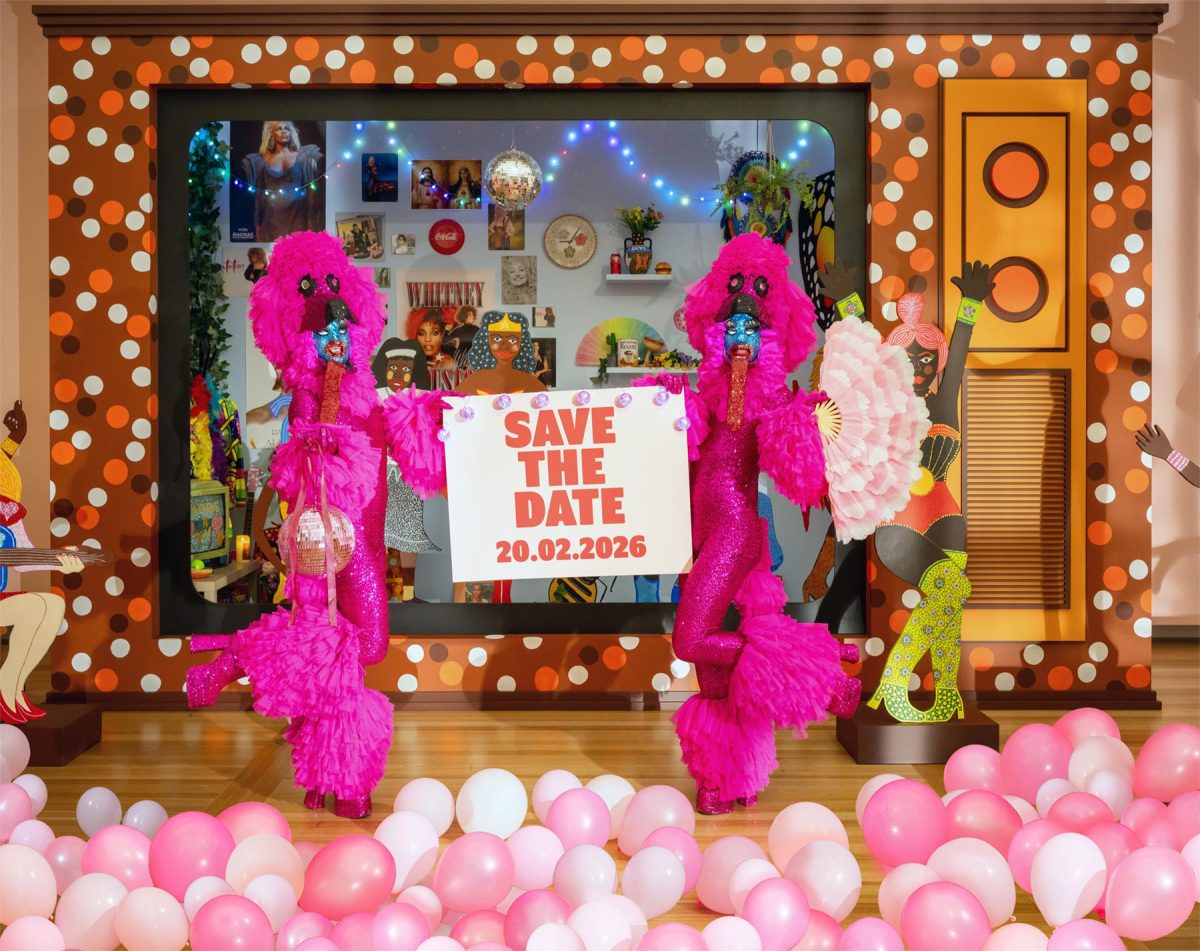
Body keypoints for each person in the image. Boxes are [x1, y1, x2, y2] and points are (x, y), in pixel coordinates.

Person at [866, 261, 995, 723]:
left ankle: (945, 694)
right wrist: (847, 304)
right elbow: (862, 351)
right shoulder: (882, 410)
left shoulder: (944, 403)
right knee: (951, 589)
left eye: (926, 359)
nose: (918, 367)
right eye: (908, 359)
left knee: (948, 604)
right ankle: (894, 680)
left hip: (946, 515)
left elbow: (958, 356)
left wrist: (971, 304)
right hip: (898, 522)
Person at [0, 400, 86, 723]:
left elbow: (24, 557)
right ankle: (6, 686)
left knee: (53, 603)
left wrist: (60, 561)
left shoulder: (8, 511)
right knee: (34, 607)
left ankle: (12, 688)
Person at [373, 339, 441, 602]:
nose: (399, 376)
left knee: (409, 537)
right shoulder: (372, 402)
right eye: (393, 368)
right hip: (377, 477)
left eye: (406, 370)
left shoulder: (422, 403)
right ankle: (382, 594)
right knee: (379, 537)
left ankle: (409, 594)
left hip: (408, 477)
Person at [240, 121, 323, 241]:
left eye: (287, 128)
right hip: (271, 220)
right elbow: (259, 195)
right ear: (271, 134)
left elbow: (311, 191)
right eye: (279, 129)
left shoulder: (303, 157)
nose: (284, 131)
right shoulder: (261, 161)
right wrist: (257, 222)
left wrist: (312, 219)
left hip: (298, 217)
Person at [461, 311, 546, 394]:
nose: (504, 346)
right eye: (497, 339)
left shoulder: (533, 384)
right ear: (486, 341)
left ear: (522, 343)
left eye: (512, 340)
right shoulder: (473, 382)